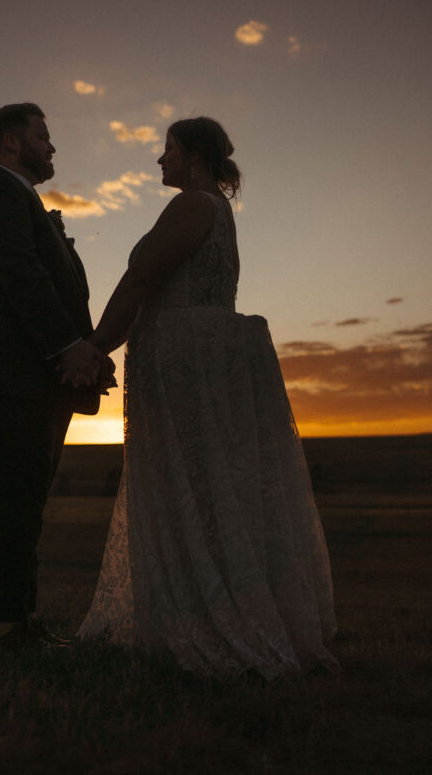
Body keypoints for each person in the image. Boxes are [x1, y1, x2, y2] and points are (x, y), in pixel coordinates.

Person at [79, 117, 338, 679]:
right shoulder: (218, 209)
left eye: (168, 149)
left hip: (184, 358)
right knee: (204, 486)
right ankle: (204, 605)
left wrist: (97, 345)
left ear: (194, 155)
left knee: (190, 483)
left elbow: (143, 279)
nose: (159, 160)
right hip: (197, 354)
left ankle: (203, 620)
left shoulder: (194, 205)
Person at [0, 103, 110, 651]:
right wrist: (68, 348)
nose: (52, 146)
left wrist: (80, 351)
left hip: (25, 376)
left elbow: (49, 281)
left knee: (25, 500)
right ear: (12, 143)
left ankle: (20, 622)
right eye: (43, 136)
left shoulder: (21, 199)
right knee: (15, 498)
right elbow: (21, 274)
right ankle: (9, 629)